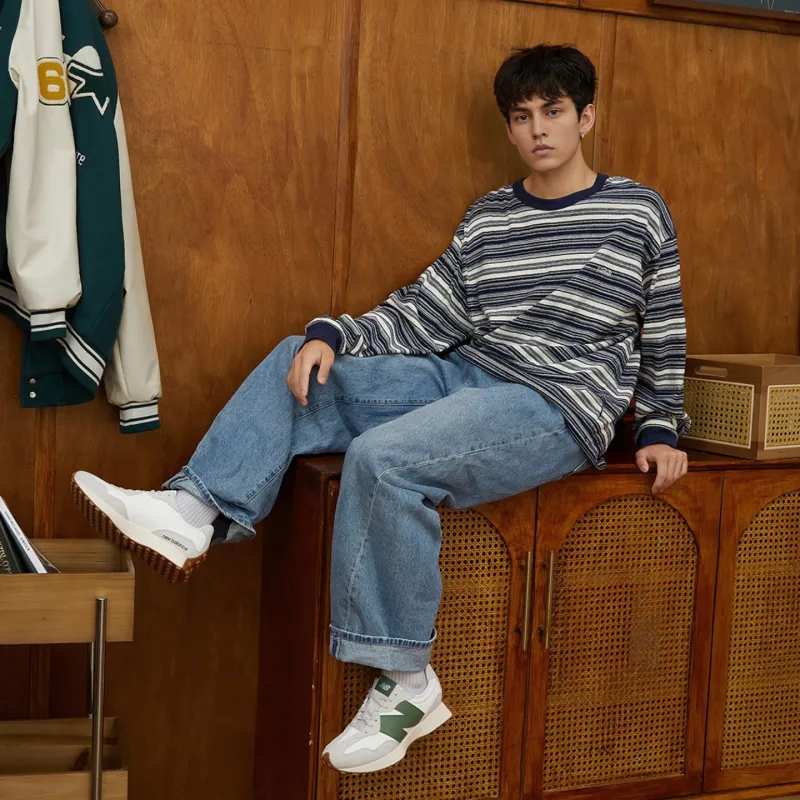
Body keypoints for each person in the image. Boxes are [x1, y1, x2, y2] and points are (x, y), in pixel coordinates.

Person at [71, 44, 691, 774]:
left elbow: (664, 326)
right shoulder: (489, 218)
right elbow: (425, 313)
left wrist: (659, 426)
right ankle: (192, 513)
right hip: (468, 376)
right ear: (509, 128)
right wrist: (334, 335)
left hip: (558, 403)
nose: (538, 129)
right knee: (297, 359)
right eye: (522, 116)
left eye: (553, 112)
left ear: (585, 117)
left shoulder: (636, 212)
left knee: (385, 461)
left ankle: (406, 680)